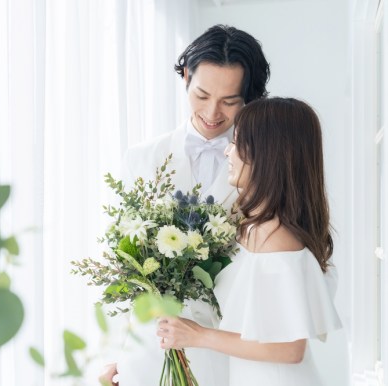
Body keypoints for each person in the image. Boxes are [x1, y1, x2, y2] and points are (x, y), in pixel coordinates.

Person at [100, 25, 270, 385]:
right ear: (186, 77)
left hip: (225, 352)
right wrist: (114, 354)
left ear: (249, 98)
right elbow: (122, 264)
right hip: (149, 349)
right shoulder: (142, 158)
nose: (212, 112)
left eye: (230, 101)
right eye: (202, 95)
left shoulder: (267, 167)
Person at [157, 97, 342, 386]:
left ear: (268, 154)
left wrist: (198, 335)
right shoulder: (253, 226)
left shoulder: (276, 239)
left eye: (237, 143)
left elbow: (290, 348)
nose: (228, 153)